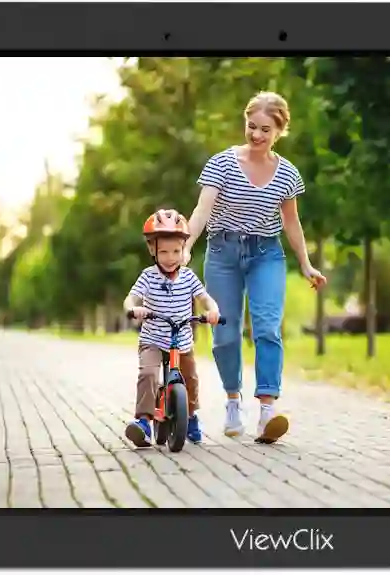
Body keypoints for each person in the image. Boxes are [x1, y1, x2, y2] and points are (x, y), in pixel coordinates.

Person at [173, 91, 327, 444]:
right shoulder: (222, 164)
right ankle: (232, 401)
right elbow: (202, 210)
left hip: (266, 255)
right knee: (224, 332)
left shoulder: (287, 173)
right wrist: (186, 246)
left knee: (267, 327)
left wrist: (305, 264)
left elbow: (291, 222)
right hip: (223, 253)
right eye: (251, 126)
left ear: (279, 131)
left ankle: (268, 410)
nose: (256, 135)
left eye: (265, 130)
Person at [122, 210, 221, 448]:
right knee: (148, 374)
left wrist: (213, 310)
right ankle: (144, 421)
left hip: (182, 339)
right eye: (164, 251)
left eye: (176, 251)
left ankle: (190, 416)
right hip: (153, 338)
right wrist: (134, 309)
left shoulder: (188, 277)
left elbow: (205, 299)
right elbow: (131, 298)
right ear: (152, 250)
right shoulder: (148, 276)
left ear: (184, 249)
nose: (170, 257)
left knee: (191, 378)